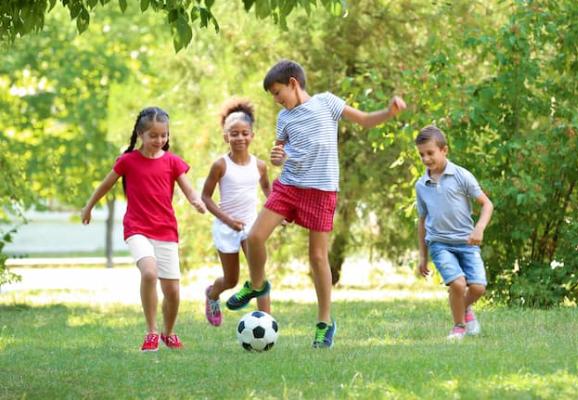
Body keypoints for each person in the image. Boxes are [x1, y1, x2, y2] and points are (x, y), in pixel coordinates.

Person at [226, 59, 406, 349]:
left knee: (318, 258)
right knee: (255, 237)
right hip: (288, 187)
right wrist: (276, 158)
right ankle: (257, 285)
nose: (276, 100)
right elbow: (280, 152)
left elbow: (363, 120)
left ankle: (324, 323)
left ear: (293, 84)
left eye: (277, 92)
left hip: (321, 191)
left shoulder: (327, 103)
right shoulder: (284, 118)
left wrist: (389, 112)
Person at [81, 107, 206, 352]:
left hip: (166, 230)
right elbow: (105, 185)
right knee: (149, 273)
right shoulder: (128, 161)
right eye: (153, 136)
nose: (159, 140)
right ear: (141, 134)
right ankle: (151, 332)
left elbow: (188, 188)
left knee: (172, 292)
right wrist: (89, 206)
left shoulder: (172, 161)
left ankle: (167, 333)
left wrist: (196, 200)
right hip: (137, 227)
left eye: (164, 135)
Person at [414, 125, 493, 340]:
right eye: (422, 154)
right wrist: (423, 255)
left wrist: (479, 228)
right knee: (458, 284)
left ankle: (464, 309)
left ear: (444, 150)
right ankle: (458, 326)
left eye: (430, 153)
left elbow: (487, 204)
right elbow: (422, 221)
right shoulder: (421, 185)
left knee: (478, 287)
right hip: (439, 243)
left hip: (467, 242)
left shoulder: (461, 176)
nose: (426, 158)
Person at [201, 98, 271, 327]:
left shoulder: (259, 166)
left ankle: (267, 322)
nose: (239, 138)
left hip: (252, 226)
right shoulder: (220, 165)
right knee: (231, 280)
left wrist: (277, 215)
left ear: (252, 135)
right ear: (225, 136)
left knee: (258, 275)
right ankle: (212, 294)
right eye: (234, 134)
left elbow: (269, 191)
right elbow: (206, 197)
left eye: (244, 133)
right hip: (226, 226)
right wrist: (228, 220)